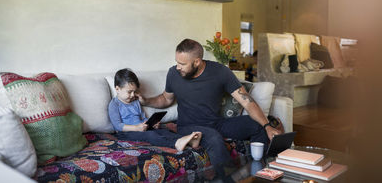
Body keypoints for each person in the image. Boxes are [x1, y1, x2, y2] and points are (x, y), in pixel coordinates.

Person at [137, 39, 281, 170]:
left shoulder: (220, 72)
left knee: (257, 125)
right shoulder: (173, 74)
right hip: (188, 127)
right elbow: (166, 99)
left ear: (197, 62)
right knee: (213, 138)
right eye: (177, 62)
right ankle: (227, 180)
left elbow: (246, 101)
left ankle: (262, 170)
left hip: (216, 123)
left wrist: (267, 126)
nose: (178, 67)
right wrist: (146, 101)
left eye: (182, 64)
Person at [108, 68, 202, 151]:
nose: (133, 95)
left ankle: (189, 141)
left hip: (141, 129)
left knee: (163, 131)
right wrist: (136, 128)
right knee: (151, 135)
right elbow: (118, 126)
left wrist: (151, 124)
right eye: (129, 92)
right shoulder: (114, 104)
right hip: (126, 133)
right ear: (117, 89)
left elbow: (143, 118)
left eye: (134, 91)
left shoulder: (135, 102)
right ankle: (176, 144)